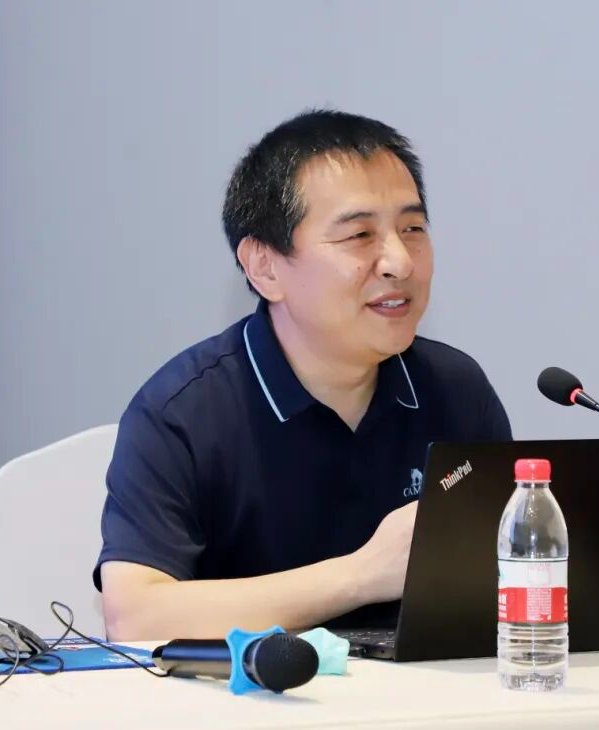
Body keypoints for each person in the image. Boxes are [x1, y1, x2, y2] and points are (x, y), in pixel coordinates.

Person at [95, 110, 512, 640]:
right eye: (359, 234)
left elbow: (511, 574)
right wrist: (362, 576)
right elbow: (134, 616)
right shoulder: (183, 412)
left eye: (412, 229)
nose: (399, 262)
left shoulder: (455, 390)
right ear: (264, 267)